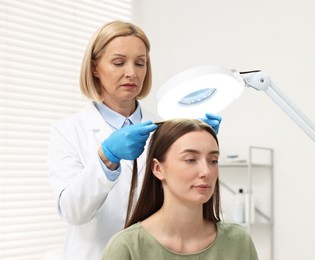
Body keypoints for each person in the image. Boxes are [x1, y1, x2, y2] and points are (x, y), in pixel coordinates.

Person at [47, 21, 222, 260]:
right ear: (95, 67)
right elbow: (73, 212)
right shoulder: (69, 131)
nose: (132, 72)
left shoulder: (166, 129)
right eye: (119, 62)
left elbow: (185, 201)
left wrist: (197, 149)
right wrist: (107, 158)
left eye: (140, 63)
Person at [102, 119, 258, 260]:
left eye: (213, 160)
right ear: (158, 168)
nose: (206, 171)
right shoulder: (126, 248)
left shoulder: (238, 242)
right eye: (190, 160)